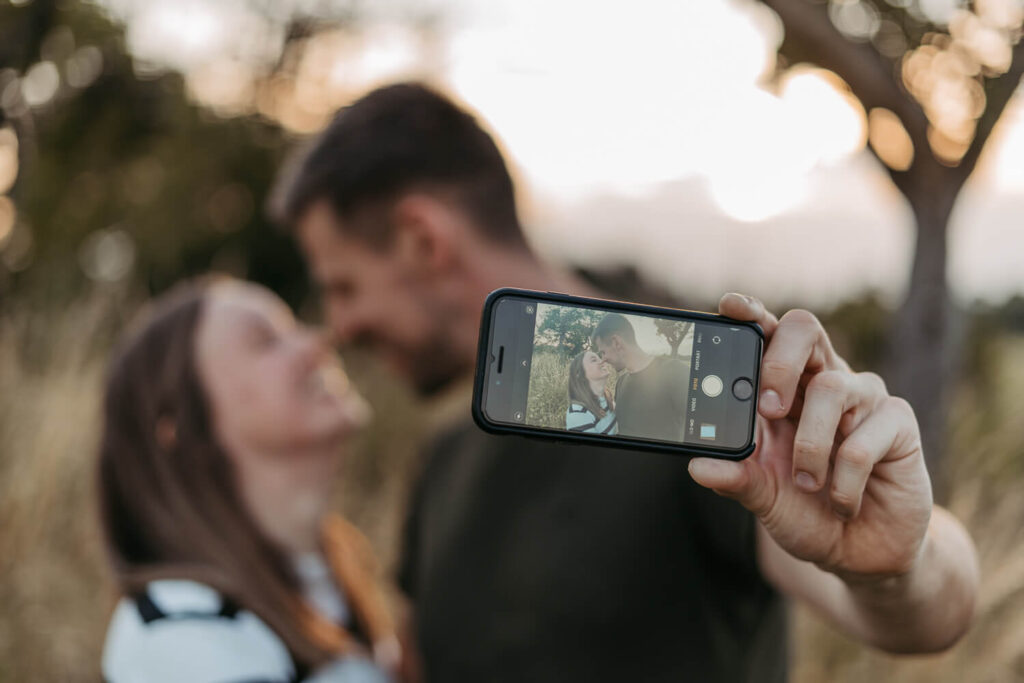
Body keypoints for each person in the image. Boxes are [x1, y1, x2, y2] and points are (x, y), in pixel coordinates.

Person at [272, 82, 979, 682]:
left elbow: (925, 612)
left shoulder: (697, 412)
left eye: (343, 286)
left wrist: (898, 563)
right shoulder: (446, 457)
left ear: (424, 239)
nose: (339, 326)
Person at [98, 277, 402, 683]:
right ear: (181, 431)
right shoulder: (179, 633)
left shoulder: (329, 580)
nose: (317, 345)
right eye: (266, 341)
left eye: (293, 328)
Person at [590, 313, 688, 441]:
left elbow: (706, 426)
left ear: (616, 342)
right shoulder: (621, 383)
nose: (603, 360)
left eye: (603, 352)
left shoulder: (676, 372)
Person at [565, 349, 618, 434]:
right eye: (594, 360)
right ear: (579, 374)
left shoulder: (608, 399)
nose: (602, 361)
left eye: (599, 358)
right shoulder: (578, 413)